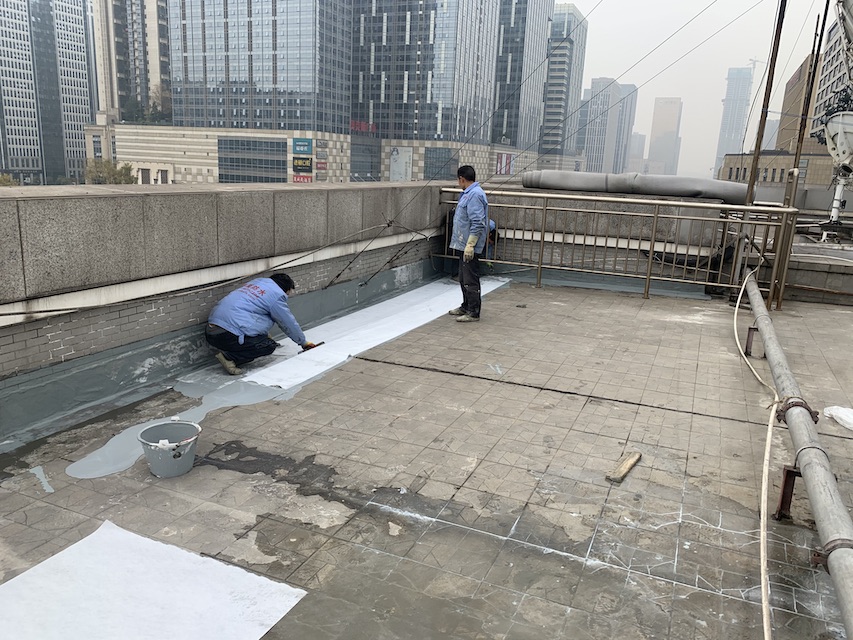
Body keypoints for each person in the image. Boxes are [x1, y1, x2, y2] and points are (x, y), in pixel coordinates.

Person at [205, 272, 315, 375]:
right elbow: (287, 322)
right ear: (286, 289)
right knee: (268, 346)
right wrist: (303, 342)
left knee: (262, 319)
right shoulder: (276, 296)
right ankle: (230, 357)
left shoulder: (257, 283)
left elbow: (252, 313)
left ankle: (238, 347)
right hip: (227, 335)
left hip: (210, 332)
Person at [448, 165, 488, 322]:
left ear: (461, 179)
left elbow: (478, 222)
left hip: (469, 246)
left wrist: (470, 245)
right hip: (462, 243)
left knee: (470, 279)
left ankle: (473, 311)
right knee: (463, 278)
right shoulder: (467, 193)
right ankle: (465, 306)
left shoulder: (475, 195)